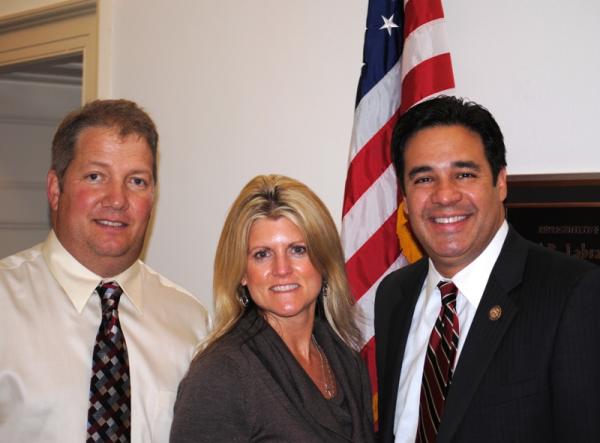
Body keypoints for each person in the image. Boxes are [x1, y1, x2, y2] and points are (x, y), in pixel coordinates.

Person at [375, 96, 600, 443]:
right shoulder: (393, 295)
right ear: (404, 197)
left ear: (501, 182)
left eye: (464, 174)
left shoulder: (572, 294)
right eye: (423, 179)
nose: (444, 196)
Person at [0, 99, 208, 442]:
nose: (116, 199)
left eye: (137, 181)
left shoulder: (191, 323)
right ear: (55, 189)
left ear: (153, 196)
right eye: (96, 176)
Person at [170, 174, 375, 442]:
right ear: (242, 273)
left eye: (298, 250)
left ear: (324, 262)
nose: (282, 270)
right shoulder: (221, 373)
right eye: (262, 254)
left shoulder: (346, 361)